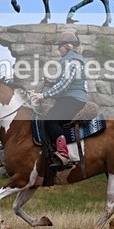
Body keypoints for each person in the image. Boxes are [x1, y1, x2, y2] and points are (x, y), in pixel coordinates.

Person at [31, 31, 87, 169]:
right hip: (69, 98)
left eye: (60, 46)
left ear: (67, 46)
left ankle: (64, 155)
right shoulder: (68, 59)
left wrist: (43, 95)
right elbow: (60, 81)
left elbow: (64, 84)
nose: (58, 49)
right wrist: (49, 82)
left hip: (73, 99)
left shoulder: (73, 61)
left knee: (50, 120)